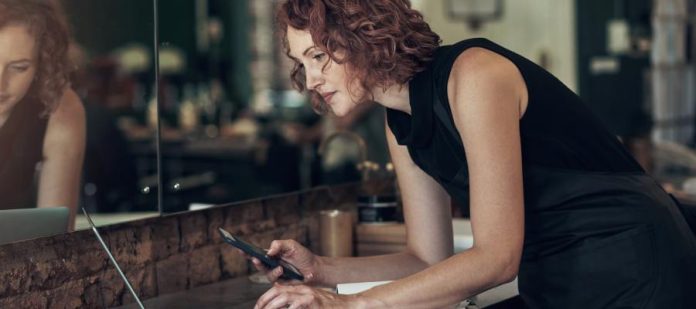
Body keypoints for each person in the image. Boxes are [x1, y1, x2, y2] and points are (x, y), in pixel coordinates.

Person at [247, 0, 696, 308]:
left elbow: (496, 258)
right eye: (300, 62)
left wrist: (352, 303)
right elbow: (428, 258)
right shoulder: (397, 117)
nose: (309, 80)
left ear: (364, 35)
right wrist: (321, 270)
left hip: (633, 259)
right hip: (558, 272)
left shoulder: (475, 76)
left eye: (319, 55)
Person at [0, 0, 85, 230]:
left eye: (18, 67)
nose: (1, 83)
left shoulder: (60, 107)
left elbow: (56, 239)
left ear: (42, 64)